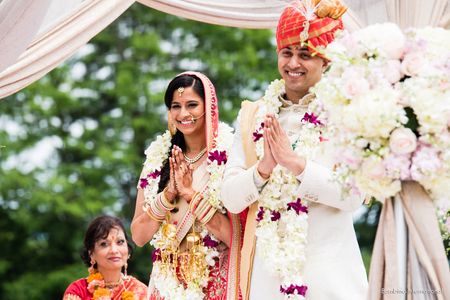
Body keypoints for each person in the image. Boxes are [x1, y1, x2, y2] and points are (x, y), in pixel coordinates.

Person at [221, 1, 368, 299]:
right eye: (286, 53)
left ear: (325, 61)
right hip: (267, 280)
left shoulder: (345, 113)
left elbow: (354, 195)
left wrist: (296, 164)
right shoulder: (253, 116)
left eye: (305, 54)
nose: (293, 64)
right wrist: (263, 169)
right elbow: (230, 199)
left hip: (330, 279)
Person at [131, 71, 241, 300]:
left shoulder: (231, 156)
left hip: (214, 281)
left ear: (208, 107)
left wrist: (191, 195)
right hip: (166, 282)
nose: (183, 114)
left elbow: (236, 237)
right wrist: (169, 193)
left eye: (192, 105)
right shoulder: (157, 160)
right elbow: (139, 236)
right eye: (175, 106)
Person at [63, 215, 147, 300]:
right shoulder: (78, 291)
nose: (114, 250)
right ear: (91, 253)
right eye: (104, 244)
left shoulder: (141, 291)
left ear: (128, 249)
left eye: (120, 242)